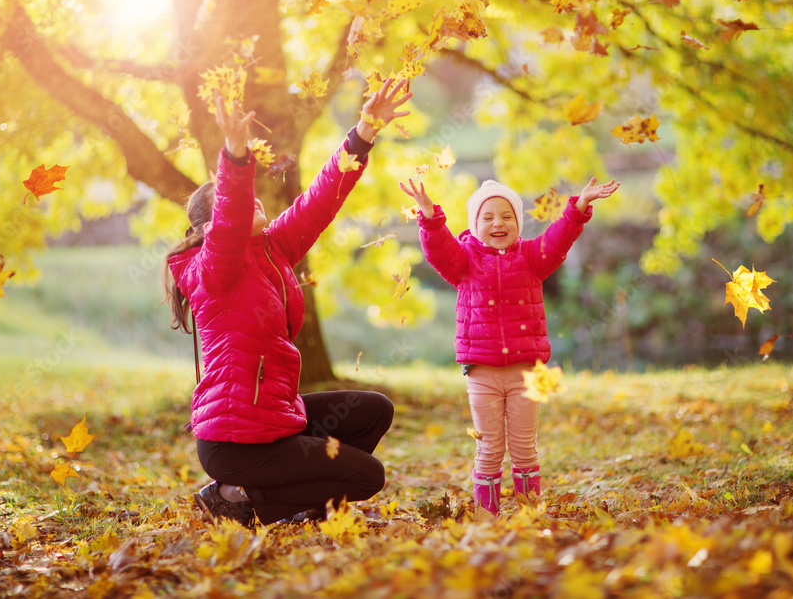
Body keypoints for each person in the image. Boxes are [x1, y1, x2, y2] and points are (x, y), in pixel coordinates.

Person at [163, 78, 412, 527]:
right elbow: (230, 223)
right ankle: (238, 498)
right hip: (235, 443)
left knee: (375, 410)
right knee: (367, 477)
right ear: (209, 226)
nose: (251, 198)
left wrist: (364, 132)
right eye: (237, 200)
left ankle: (303, 503)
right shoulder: (211, 270)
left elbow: (321, 199)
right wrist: (236, 157)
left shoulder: (274, 249)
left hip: (275, 420)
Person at [398, 174, 619, 514]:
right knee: (488, 449)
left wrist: (578, 207)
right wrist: (429, 216)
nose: (497, 223)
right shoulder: (463, 262)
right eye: (487, 217)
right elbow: (439, 248)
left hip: (526, 373)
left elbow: (558, 240)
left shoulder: (532, 257)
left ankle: (529, 513)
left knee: (524, 448)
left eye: (506, 216)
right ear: (474, 225)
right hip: (481, 373)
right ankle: (488, 516)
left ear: (517, 223)